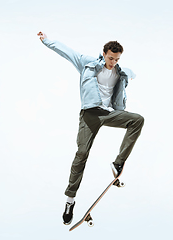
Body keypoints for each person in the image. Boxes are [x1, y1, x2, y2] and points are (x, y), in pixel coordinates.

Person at [37, 32, 144, 225]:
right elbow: (66, 51)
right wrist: (46, 40)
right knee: (82, 153)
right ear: (103, 53)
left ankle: (118, 163)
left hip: (109, 113)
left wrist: (131, 74)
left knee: (137, 120)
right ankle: (70, 201)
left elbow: (130, 73)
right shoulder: (87, 63)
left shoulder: (120, 71)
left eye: (117, 59)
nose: (113, 62)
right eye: (110, 58)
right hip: (89, 115)